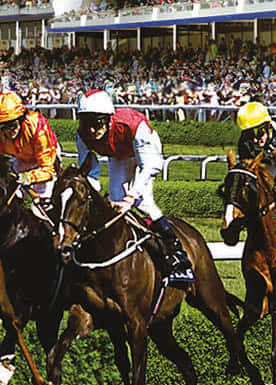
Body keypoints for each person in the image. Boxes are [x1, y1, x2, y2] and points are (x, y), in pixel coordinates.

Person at [75, 94, 192, 285]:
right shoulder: (82, 134)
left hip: (146, 153)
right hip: (119, 155)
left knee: (142, 202)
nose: (92, 129)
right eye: (87, 123)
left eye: (97, 123)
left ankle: (178, 255)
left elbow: (150, 166)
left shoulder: (132, 125)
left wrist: (131, 196)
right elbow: (89, 172)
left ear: (108, 118)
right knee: (114, 201)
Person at [0, 89, 59, 204]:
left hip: (45, 156)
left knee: (44, 199)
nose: (9, 130)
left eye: (12, 125)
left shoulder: (37, 127)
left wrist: (29, 177)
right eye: (3, 126)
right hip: (20, 156)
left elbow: (48, 170)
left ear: (21, 119)